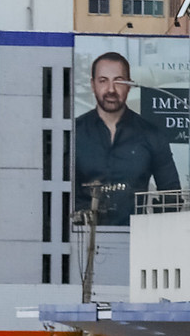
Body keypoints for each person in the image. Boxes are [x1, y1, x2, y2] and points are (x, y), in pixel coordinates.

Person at [75, 51, 180, 226]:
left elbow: (171, 196)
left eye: (118, 81)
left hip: (135, 241)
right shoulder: (73, 133)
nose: (111, 89)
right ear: (92, 85)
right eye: (103, 81)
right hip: (80, 241)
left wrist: (156, 235)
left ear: (129, 85)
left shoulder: (152, 135)